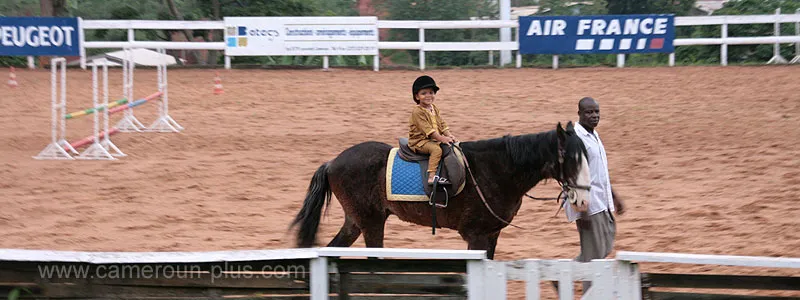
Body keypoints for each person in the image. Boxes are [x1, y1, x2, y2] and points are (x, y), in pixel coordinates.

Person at [566, 96, 627, 292]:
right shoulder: (576, 139)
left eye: (596, 112)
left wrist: (614, 196)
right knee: (594, 257)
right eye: (589, 112)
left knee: (604, 246)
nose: (594, 116)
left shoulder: (593, 134)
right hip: (588, 205)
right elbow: (573, 177)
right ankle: (587, 291)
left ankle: (563, 275)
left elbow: (599, 172)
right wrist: (582, 212)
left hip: (602, 200)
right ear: (579, 114)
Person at [407, 75, 458, 185]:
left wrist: (449, 135)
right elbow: (428, 130)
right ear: (417, 97)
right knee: (436, 150)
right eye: (424, 93)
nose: (428, 96)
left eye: (431, 93)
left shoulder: (434, 108)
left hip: (432, 139)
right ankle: (431, 176)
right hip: (419, 141)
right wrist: (442, 138)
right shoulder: (418, 111)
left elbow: (442, 124)